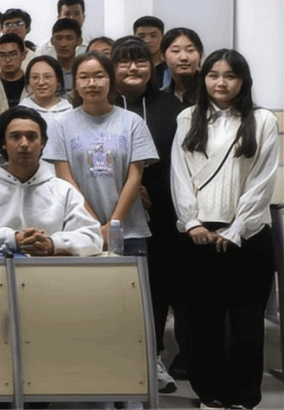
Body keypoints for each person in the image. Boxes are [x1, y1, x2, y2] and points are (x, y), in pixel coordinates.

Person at [171, 49, 278, 410]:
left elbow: (263, 180)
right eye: (213, 75)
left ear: (243, 81)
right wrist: (191, 222)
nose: (221, 82)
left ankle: (244, 397)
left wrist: (236, 228)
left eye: (230, 75)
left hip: (249, 234)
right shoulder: (188, 118)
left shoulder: (262, 120)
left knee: (248, 322)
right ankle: (210, 393)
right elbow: (179, 174)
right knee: (203, 321)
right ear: (204, 78)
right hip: (199, 234)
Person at [111, 36, 186, 391]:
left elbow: (180, 162)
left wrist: (152, 193)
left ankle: (153, 355)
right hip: (114, 211)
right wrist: (129, 190)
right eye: (124, 61)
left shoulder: (171, 107)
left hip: (163, 212)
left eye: (140, 61)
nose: (133, 68)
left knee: (155, 289)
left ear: (152, 66)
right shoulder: (104, 105)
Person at [43, 53, 158, 254]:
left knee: (127, 275)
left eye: (99, 76)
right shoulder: (61, 124)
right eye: (84, 77)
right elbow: (64, 177)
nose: (92, 83)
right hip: (80, 229)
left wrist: (113, 225)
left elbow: (135, 177)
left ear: (111, 80)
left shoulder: (132, 122)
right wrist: (95, 226)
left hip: (128, 230)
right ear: (75, 83)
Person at [0, 107, 103, 256]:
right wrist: (13, 239)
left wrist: (52, 244)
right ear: (3, 143)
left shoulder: (64, 191)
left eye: (32, 137)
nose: (24, 144)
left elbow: (92, 238)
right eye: (15, 137)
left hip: (51, 269)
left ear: (42, 143)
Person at [19, 55, 73, 132]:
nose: (41, 82)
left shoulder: (69, 111)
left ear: (58, 81)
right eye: (35, 77)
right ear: (28, 82)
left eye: (47, 77)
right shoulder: (21, 112)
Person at [161, 27, 203, 106]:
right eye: (175, 51)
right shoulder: (162, 96)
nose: (184, 58)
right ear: (163, 56)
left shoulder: (211, 91)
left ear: (200, 55)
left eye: (190, 50)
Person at [47, 18, 83, 91]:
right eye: (58, 38)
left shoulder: (84, 71)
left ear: (79, 41)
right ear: (52, 41)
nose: (63, 44)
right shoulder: (47, 71)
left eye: (69, 38)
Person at [132, 15, 167, 86]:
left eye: (153, 36)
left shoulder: (170, 67)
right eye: (141, 36)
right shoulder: (130, 68)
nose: (147, 40)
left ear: (163, 37)